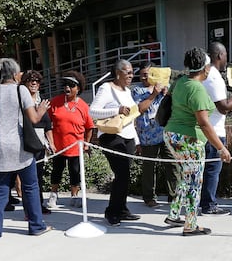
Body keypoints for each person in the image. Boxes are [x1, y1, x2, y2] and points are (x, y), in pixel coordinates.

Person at [0, 58, 52, 239]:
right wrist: (41, 109)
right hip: (19, 148)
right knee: (30, 186)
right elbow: (34, 119)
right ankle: (36, 225)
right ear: (13, 73)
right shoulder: (21, 90)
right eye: (18, 72)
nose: (20, 74)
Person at [164, 47, 231, 236]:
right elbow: (204, 123)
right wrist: (221, 148)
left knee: (186, 177)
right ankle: (190, 225)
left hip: (172, 135)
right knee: (195, 182)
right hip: (189, 139)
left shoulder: (180, 82)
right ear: (206, 68)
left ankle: (174, 214)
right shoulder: (197, 89)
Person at [90, 59, 141, 226]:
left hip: (128, 137)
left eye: (132, 72)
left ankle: (122, 209)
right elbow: (93, 111)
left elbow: (131, 117)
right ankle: (111, 211)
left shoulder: (127, 91)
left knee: (125, 176)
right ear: (118, 73)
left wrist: (137, 140)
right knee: (122, 174)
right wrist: (116, 110)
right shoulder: (106, 88)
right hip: (111, 136)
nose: (132, 76)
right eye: (128, 72)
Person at [199, 41, 232, 216]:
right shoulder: (214, 76)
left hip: (206, 130)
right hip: (214, 132)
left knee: (206, 171)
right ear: (219, 55)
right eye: (225, 55)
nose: (227, 59)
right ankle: (209, 205)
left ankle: (203, 203)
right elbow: (224, 107)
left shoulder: (206, 74)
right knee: (212, 171)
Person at [131, 62, 180, 208]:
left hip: (165, 132)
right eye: (143, 74)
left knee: (172, 165)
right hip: (147, 135)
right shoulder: (137, 91)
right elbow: (139, 109)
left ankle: (174, 196)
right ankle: (149, 197)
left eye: (149, 74)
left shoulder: (166, 87)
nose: (146, 77)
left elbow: (175, 106)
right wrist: (154, 94)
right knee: (149, 167)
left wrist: (167, 94)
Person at [47, 70, 93, 208]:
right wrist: (50, 142)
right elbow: (45, 122)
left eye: (71, 85)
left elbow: (90, 127)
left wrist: (86, 144)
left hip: (75, 147)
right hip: (58, 147)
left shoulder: (84, 106)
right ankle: (53, 195)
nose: (67, 88)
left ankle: (74, 196)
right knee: (56, 171)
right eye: (65, 84)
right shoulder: (55, 102)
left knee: (75, 172)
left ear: (78, 88)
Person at [20, 70, 54, 214]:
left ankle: (38, 205)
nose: (34, 83)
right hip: (27, 141)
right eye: (30, 80)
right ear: (25, 83)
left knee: (38, 176)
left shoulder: (43, 101)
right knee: (28, 178)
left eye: (37, 81)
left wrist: (51, 143)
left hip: (40, 142)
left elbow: (47, 125)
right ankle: (29, 209)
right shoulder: (21, 100)